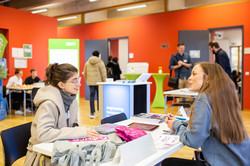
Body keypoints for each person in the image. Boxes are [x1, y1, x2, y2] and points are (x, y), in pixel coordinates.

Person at [163, 62, 250, 166]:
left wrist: (176, 125)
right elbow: (210, 124)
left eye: (194, 74)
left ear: (207, 78)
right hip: (241, 161)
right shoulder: (224, 96)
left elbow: (193, 141)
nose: (189, 78)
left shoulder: (204, 98)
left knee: (167, 163)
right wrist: (182, 122)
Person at [24, 63, 100, 166]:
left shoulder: (72, 100)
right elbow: (43, 135)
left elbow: (73, 127)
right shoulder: (49, 104)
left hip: (61, 151)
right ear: (61, 85)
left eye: (78, 80)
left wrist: (81, 132)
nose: (79, 84)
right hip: (43, 157)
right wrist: (80, 132)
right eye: (74, 81)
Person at [84, 50, 106, 118]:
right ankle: (100, 111)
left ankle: (92, 113)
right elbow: (103, 73)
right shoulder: (100, 62)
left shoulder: (87, 63)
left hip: (91, 83)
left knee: (92, 97)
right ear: (98, 55)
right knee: (99, 97)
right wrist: (104, 82)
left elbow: (85, 73)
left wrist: (87, 81)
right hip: (99, 82)